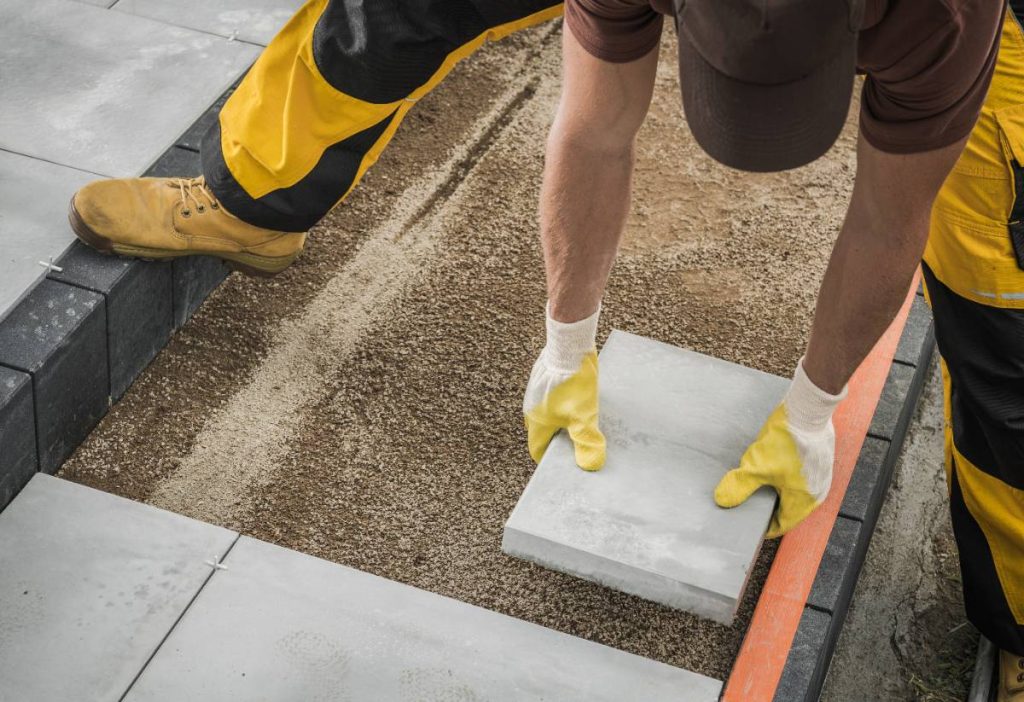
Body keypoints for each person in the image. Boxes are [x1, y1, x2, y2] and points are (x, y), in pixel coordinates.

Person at [67, 0, 1021, 696]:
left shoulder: (945, 18)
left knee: (1003, 301)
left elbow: (889, 218)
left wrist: (815, 410)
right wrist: (567, 345)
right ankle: (250, 201)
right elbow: (598, 129)